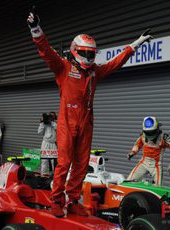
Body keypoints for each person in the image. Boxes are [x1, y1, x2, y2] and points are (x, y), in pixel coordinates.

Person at [27, 11, 152, 217]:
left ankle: (73, 200)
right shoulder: (63, 67)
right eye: (84, 53)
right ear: (75, 51)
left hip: (87, 122)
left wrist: (137, 43)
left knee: (82, 165)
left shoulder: (95, 71)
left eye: (91, 53)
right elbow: (46, 51)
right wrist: (36, 29)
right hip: (67, 121)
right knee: (64, 163)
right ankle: (57, 200)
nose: (88, 57)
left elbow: (116, 62)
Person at [127, 116, 170, 186]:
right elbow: (137, 144)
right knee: (128, 181)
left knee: (159, 188)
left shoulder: (163, 138)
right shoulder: (143, 136)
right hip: (143, 162)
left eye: (152, 132)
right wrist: (132, 152)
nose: (150, 134)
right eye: (148, 132)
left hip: (156, 165)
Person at [38, 112, 58, 177]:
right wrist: (42, 123)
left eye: (51, 116)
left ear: (54, 117)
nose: (49, 118)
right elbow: (39, 132)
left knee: (54, 161)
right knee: (44, 160)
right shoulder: (44, 124)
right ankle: (43, 175)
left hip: (53, 144)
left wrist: (51, 122)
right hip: (45, 143)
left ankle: (55, 175)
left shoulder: (55, 124)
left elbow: (58, 128)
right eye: (49, 116)